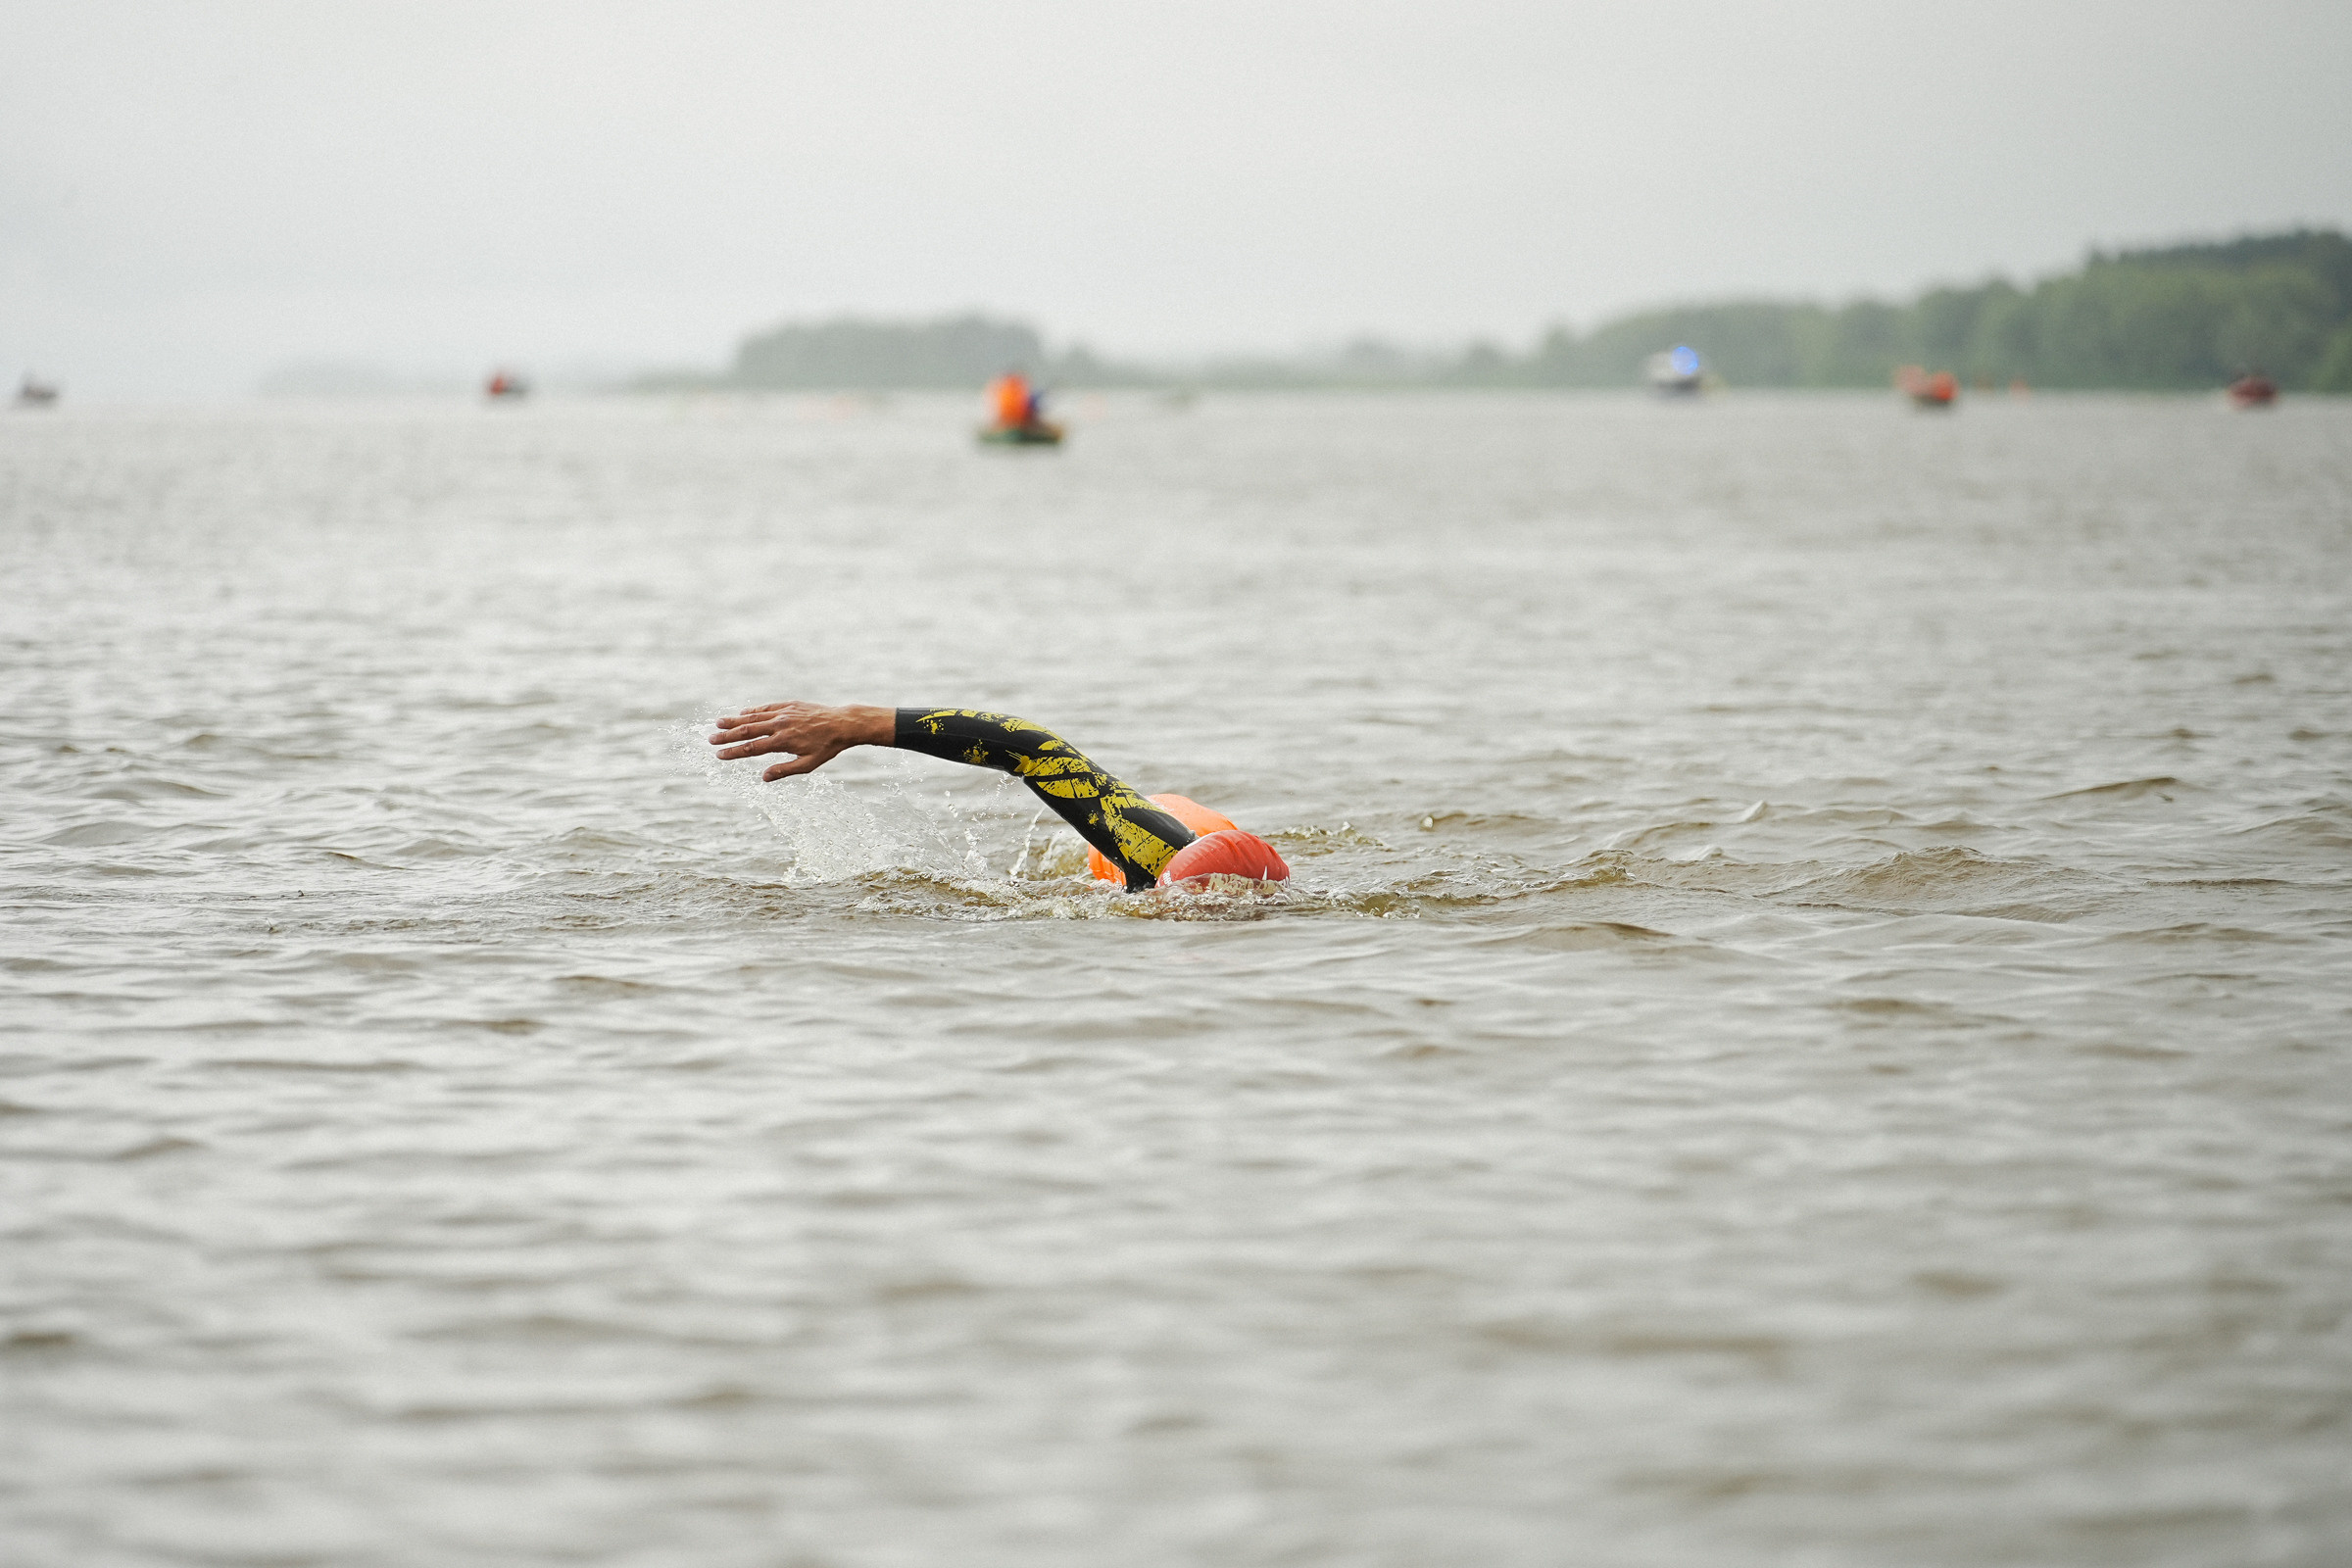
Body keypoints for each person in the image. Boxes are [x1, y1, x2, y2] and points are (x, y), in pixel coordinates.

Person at [710, 702, 1204, 889]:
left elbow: (1039, 753)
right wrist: (855, 723)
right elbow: (1036, 751)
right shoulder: (1180, 866)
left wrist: (855, 725)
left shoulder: (1186, 877)